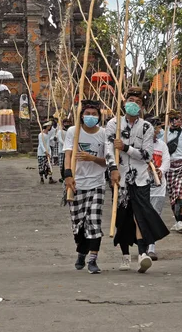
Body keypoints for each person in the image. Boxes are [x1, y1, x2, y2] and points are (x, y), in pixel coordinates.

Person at [106, 87, 170, 273]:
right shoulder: (114, 124)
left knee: (140, 213)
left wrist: (126, 148)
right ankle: (125, 255)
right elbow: (109, 148)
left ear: (142, 106)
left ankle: (143, 252)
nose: (134, 104)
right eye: (131, 99)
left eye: (138, 102)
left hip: (141, 177)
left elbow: (147, 155)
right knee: (122, 216)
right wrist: (113, 169)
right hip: (120, 176)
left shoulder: (147, 127)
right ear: (125, 101)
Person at [64, 100, 107, 274]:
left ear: (99, 117)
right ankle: (81, 252)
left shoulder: (104, 134)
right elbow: (68, 154)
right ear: (81, 115)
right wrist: (68, 175)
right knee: (79, 224)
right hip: (77, 183)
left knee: (94, 222)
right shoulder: (73, 132)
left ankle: (93, 259)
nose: (90, 117)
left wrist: (92, 158)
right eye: (87, 113)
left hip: (97, 183)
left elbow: (108, 160)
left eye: (94, 114)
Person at [147, 116, 170, 261]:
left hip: (159, 188)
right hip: (142, 186)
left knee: (155, 216)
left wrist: (161, 170)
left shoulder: (162, 145)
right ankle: (143, 244)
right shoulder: (140, 145)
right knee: (143, 217)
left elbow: (167, 161)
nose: (158, 131)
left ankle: (151, 247)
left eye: (159, 128)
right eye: (155, 128)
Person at [165, 110, 182, 233]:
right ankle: (178, 220)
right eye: (174, 118)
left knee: (180, 190)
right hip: (169, 165)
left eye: (179, 118)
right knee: (173, 195)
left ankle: (180, 220)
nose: (177, 120)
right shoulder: (164, 134)